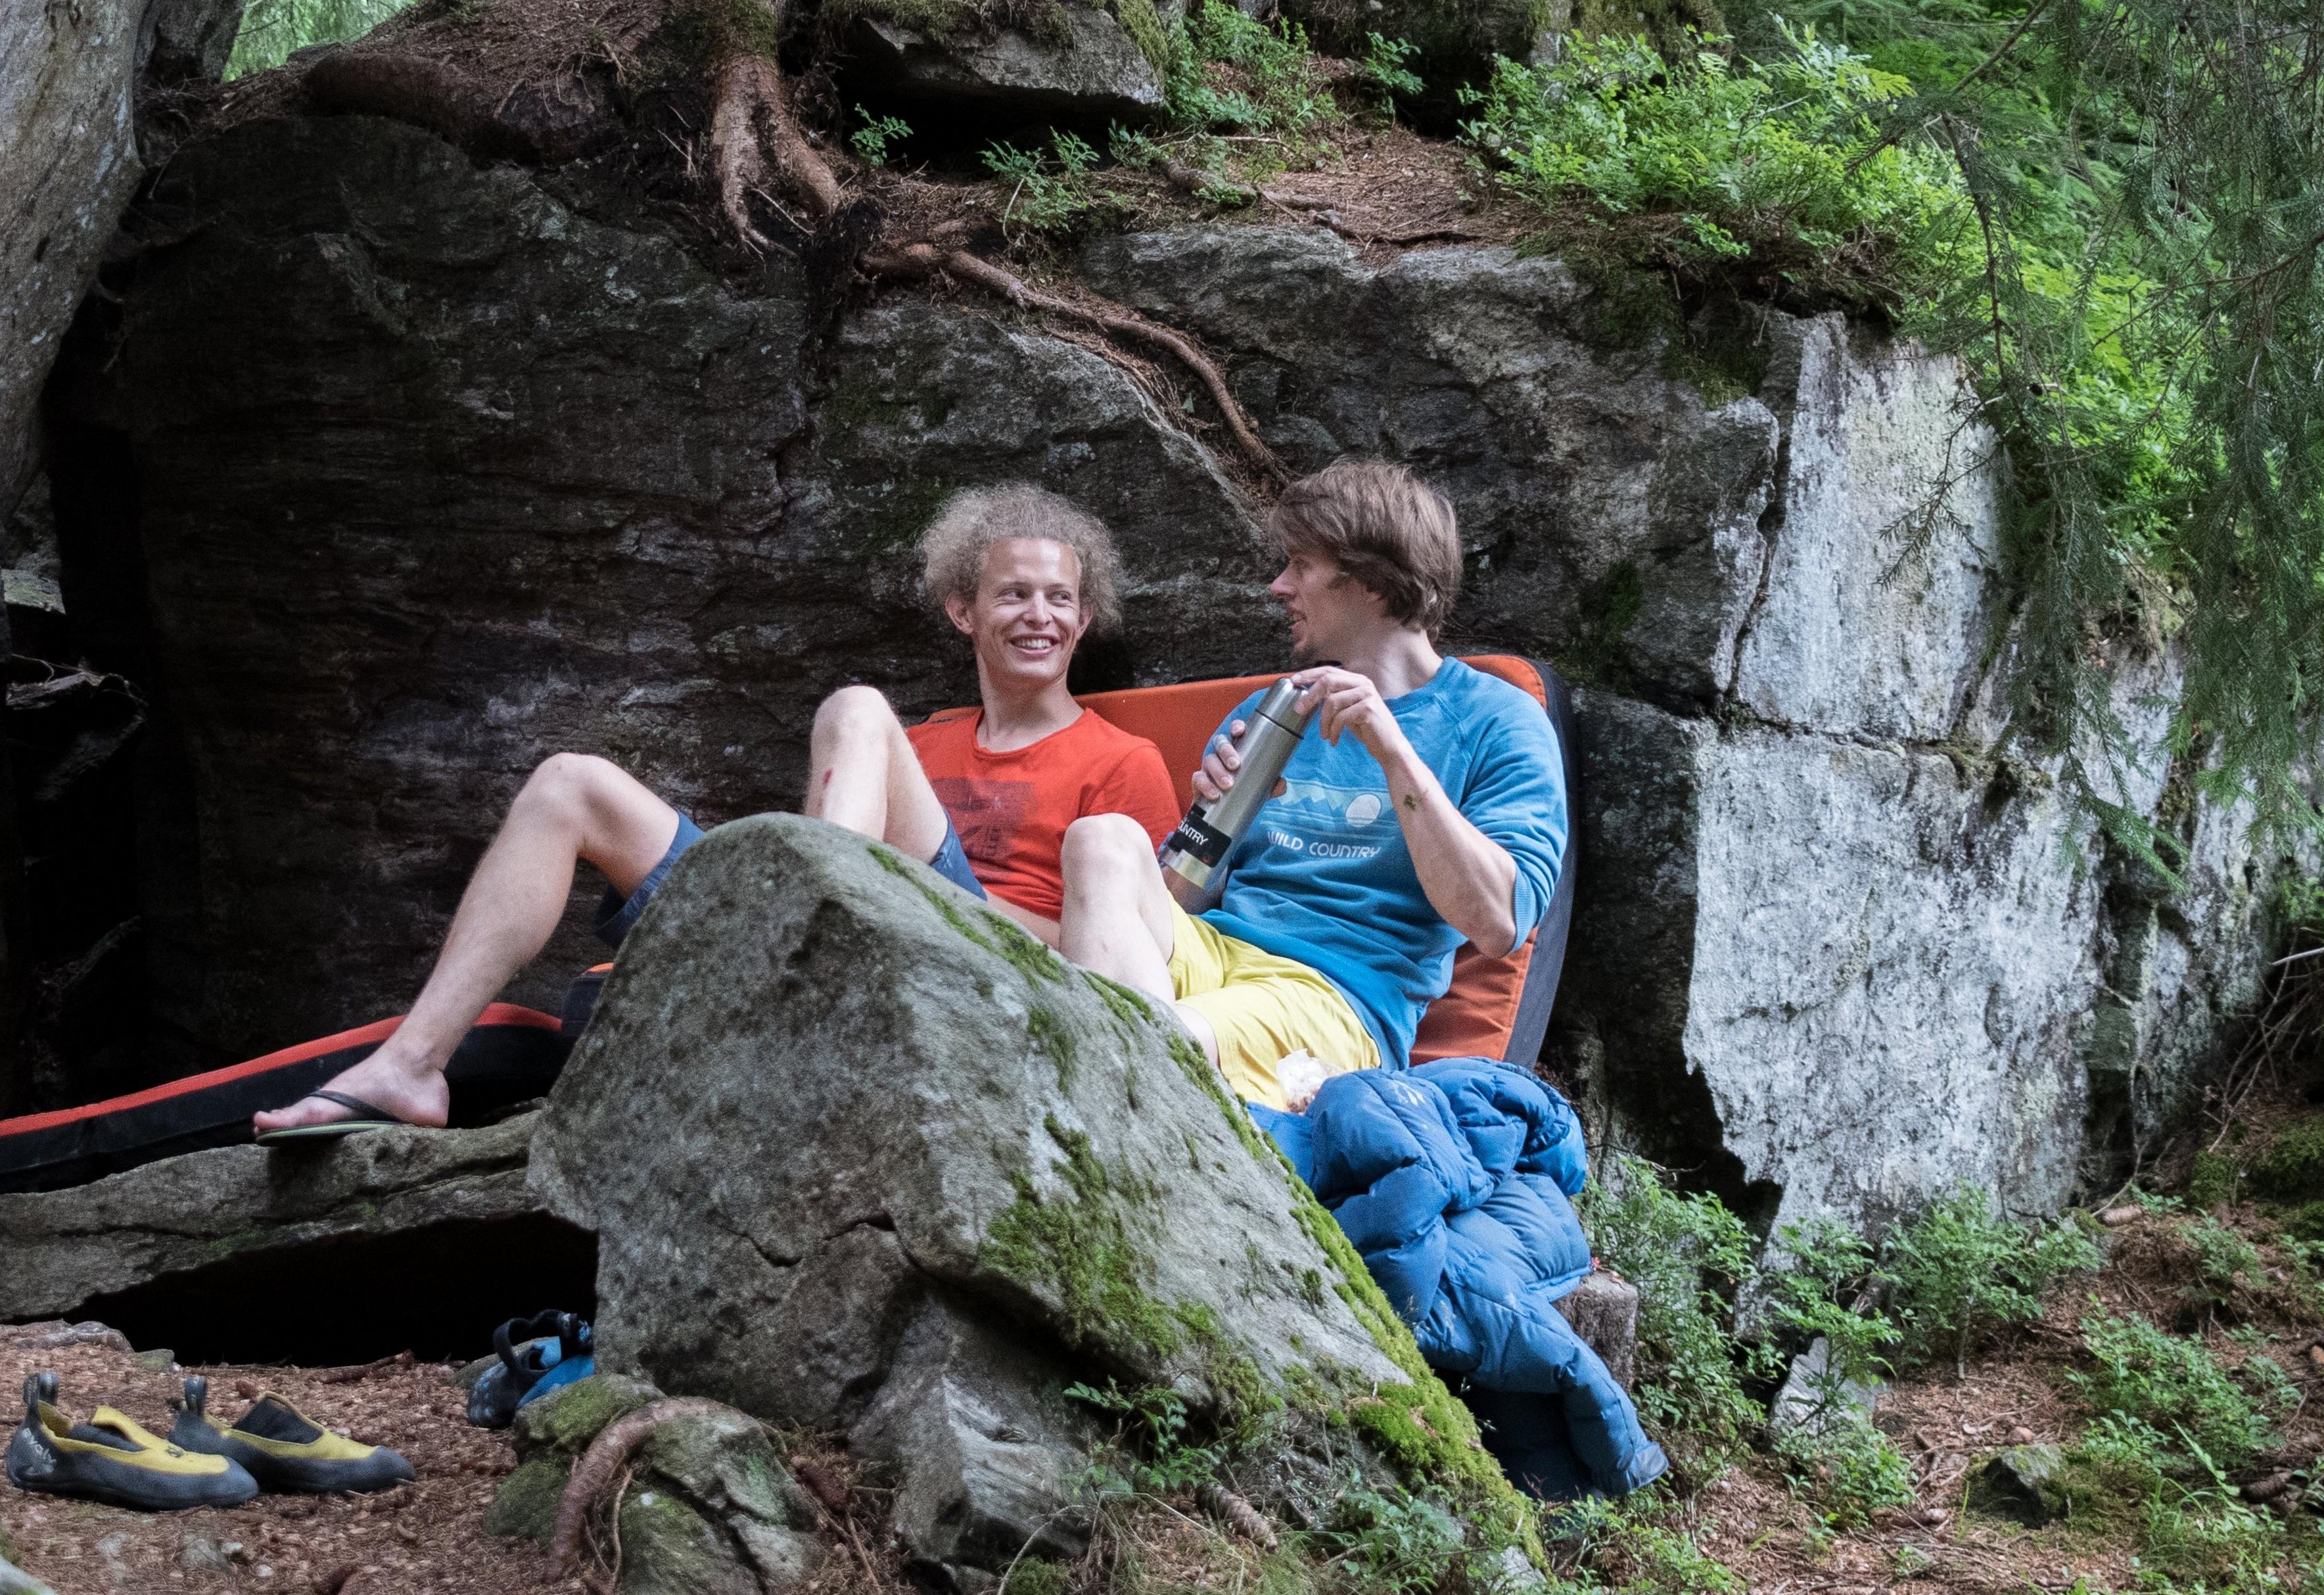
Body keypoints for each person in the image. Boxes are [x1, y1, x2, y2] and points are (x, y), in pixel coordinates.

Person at [254, 484, 1178, 1133]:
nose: (1040, 615)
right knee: (569, 781)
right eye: (1013, 593)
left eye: (1061, 598)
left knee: (855, 707)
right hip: (842, 928)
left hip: (975, 967)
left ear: (1085, 621)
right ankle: (413, 1066)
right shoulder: (920, 747)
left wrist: (917, 889)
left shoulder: (1119, 760)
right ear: (961, 611)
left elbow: (1132, 954)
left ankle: (808, 949)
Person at [1055, 457, 1566, 1109]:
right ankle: (1153, 1078)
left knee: (1150, 1031)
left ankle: (1147, 1074)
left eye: (1300, 565)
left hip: (1334, 1001)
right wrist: (1207, 821)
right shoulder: (1275, 710)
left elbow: (1497, 925)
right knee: (1099, 840)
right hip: (1214, 954)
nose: (1277, 586)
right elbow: (1178, 898)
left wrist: (1392, 752)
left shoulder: (1497, 720)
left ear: (1373, 581)